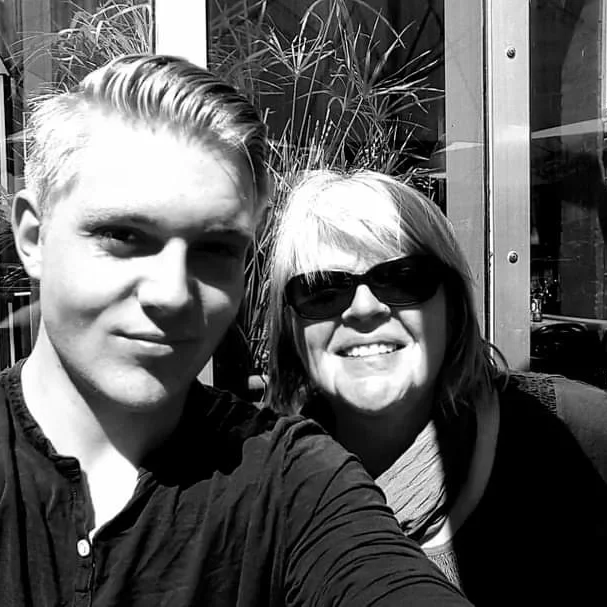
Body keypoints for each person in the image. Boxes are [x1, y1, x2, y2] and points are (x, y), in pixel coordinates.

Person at [0, 54, 474, 606]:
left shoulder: (293, 479)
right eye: (124, 236)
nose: (172, 292)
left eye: (216, 248)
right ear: (32, 237)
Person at [265, 168, 607, 606]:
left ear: (453, 307)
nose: (365, 309)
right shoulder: (263, 496)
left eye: (403, 278)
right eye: (323, 290)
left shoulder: (575, 431)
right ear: (291, 330)